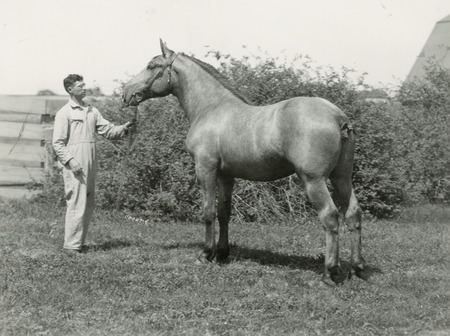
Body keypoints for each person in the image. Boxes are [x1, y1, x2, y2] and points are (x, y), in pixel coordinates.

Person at [53, 74, 135, 255]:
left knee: (88, 203)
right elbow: (57, 143)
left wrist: (123, 128)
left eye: (84, 85)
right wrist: (70, 161)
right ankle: (71, 247)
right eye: (80, 86)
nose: (84, 88)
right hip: (75, 162)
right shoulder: (64, 112)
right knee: (76, 202)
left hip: (91, 161)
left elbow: (108, 130)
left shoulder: (92, 111)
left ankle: (78, 244)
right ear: (70, 89)